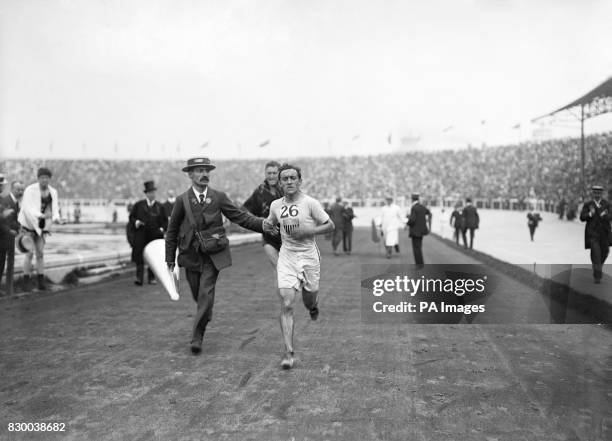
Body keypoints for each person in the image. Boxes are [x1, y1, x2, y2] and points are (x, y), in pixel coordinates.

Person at [165, 157, 272, 355]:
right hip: (190, 257)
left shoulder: (219, 197)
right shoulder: (182, 200)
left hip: (213, 255)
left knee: (205, 295)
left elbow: (240, 217)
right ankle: (206, 311)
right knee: (199, 296)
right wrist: (169, 259)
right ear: (190, 175)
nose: (204, 174)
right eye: (199, 170)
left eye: (207, 170)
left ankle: (197, 336)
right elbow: (171, 232)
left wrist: (263, 224)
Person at [266, 163, 334, 369]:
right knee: (286, 302)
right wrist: (270, 228)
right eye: (285, 179)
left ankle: (313, 306)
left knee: (310, 294)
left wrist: (308, 232)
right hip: (287, 255)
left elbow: (330, 225)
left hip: (308, 256)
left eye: (292, 178)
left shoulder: (310, 203)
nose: (289, 182)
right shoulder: (276, 205)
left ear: (299, 181)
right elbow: (270, 222)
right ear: (280, 183)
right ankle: (289, 353)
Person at [18, 168, 61, 291]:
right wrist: (41, 215)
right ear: (38, 178)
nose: (44, 180)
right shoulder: (30, 190)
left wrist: (57, 218)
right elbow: (28, 208)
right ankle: (26, 282)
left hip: (41, 227)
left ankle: (40, 283)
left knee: (40, 254)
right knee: (29, 253)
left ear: (49, 179)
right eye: (42, 177)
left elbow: (55, 209)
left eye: (47, 177)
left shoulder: (53, 192)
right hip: (28, 225)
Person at [242, 161, 283, 266]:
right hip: (269, 239)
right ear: (265, 174)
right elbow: (244, 210)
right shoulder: (260, 192)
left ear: (279, 174)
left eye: (274, 173)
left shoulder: (287, 189)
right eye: (269, 173)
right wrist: (261, 223)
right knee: (280, 269)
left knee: (290, 273)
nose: (272, 176)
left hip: (289, 238)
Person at [129, 181, 168, 286]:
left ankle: (152, 278)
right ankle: (139, 278)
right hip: (141, 234)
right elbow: (131, 218)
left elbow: (165, 222)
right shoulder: (138, 205)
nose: (152, 194)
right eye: (150, 192)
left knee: (152, 257)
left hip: (154, 236)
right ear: (146, 194)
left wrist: (161, 229)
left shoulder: (160, 207)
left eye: (153, 192)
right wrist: (136, 222)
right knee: (139, 257)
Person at [579, 185, 611, 284]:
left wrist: (605, 215)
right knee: (596, 253)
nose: (597, 194)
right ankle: (597, 276)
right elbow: (582, 218)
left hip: (604, 233)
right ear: (593, 193)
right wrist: (590, 214)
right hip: (593, 234)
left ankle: (597, 266)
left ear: (601, 193)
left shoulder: (607, 204)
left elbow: (611, 216)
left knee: (605, 252)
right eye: (595, 192)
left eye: (599, 193)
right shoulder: (588, 204)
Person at [1, 181, 24, 296]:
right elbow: (2, 221)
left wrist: (19, 228)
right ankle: (8, 290)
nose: (20, 192)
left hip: (10, 237)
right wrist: (10, 230)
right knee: (2, 263)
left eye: (22, 190)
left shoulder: (16, 203)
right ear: (12, 189)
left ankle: (9, 290)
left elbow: (14, 220)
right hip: (3, 237)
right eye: (18, 189)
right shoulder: (5, 201)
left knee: (10, 263)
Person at [407, 193, 432, 267]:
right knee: (419, 247)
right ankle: (420, 263)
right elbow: (429, 214)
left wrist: (407, 222)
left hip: (415, 231)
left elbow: (412, 220)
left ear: (412, 199)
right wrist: (427, 223)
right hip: (422, 230)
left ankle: (419, 264)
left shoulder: (414, 207)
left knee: (416, 249)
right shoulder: (422, 207)